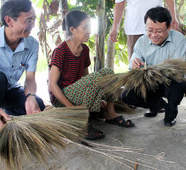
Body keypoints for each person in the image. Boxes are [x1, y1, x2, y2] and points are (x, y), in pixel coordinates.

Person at [48, 10, 134, 140]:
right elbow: (52, 85)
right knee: (104, 73)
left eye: (90, 27)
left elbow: (87, 79)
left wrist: (98, 99)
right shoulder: (61, 51)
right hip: (62, 97)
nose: (89, 31)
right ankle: (82, 121)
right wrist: (71, 108)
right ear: (73, 29)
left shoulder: (85, 50)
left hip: (78, 93)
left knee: (108, 75)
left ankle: (110, 114)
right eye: (85, 27)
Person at [0, 0, 45, 146]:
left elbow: (30, 79)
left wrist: (30, 97)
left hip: (9, 90)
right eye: (29, 20)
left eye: (34, 19)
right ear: (9, 20)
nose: (33, 24)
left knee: (38, 105)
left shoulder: (32, 44)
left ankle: (4, 111)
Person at [121, 6, 186, 126]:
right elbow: (134, 62)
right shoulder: (141, 41)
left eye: (159, 31)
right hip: (151, 81)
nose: (154, 35)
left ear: (169, 27)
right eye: (150, 30)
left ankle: (171, 112)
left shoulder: (179, 40)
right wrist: (135, 64)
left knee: (179, 84)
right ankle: (157, 105)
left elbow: (178, 68)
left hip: (170, 80)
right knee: (127, 95)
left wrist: (156, 71)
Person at [110, 0, 179, 60]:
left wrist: (173, 17)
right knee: (136, 66)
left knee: (159, 64)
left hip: (158, 27)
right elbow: (119, 4)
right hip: (134, 29)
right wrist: (115, 27)